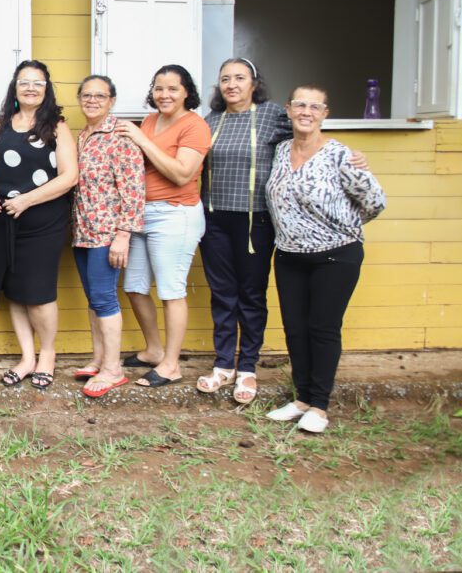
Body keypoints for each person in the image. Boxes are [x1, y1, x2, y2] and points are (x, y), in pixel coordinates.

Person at [265, 85, 385, 433]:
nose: (306, 111)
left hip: (335, 256)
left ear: (325, 113)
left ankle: (319, 404)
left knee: (322, 328)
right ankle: (301, 398)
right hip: (288, 255)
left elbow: (375, 201)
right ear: (288, 110)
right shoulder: (281, 149)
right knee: (295, 329)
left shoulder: (341, 155)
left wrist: (342, 227)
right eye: (300, 104)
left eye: (314, 106)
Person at [196, 58, 291, 404]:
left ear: (254, 82)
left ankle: (248, 366)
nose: (231, 84)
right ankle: (223, 364)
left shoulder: (273, 116)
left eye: (239, 78)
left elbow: (307, 140)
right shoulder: (211, 121)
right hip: (215, 219)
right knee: (222, 292)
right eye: (225, 79)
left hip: (256, 221)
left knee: (251, 294)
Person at [0, 61, 77, 390]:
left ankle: (47, 354)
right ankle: (27, 358)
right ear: (15, 87)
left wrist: (27, 200)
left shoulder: (57, 126)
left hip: (42, 221)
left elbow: (69, 177)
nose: (31, 88)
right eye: (25, 82)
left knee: (37, 293)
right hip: (3, 220)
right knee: (15, 291)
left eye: (38, 83)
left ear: (47, 89)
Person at [115, 64, 211, 387]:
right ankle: (154, 350)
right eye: (159, 88)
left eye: (172, 88)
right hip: (141, 214)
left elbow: (182, 173)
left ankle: (172, 365)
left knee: (171, 291)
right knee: (134, 287)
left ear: (187, 92)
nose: (164, 94)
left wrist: (141, 140)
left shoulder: (194, 126)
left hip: (175, 214)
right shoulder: (151, 120)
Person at [69, 75, 145, 398]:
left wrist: (123, 235)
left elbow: (133, 189)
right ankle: (99, 358)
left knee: (104, 298)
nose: (92, 100)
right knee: (93, 299)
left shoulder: (121, 136)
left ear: (112, 100)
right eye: (86, 95)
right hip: (81, 232)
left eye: (100, 95)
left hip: (106, 233)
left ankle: (113, 369)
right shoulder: (83, 136)